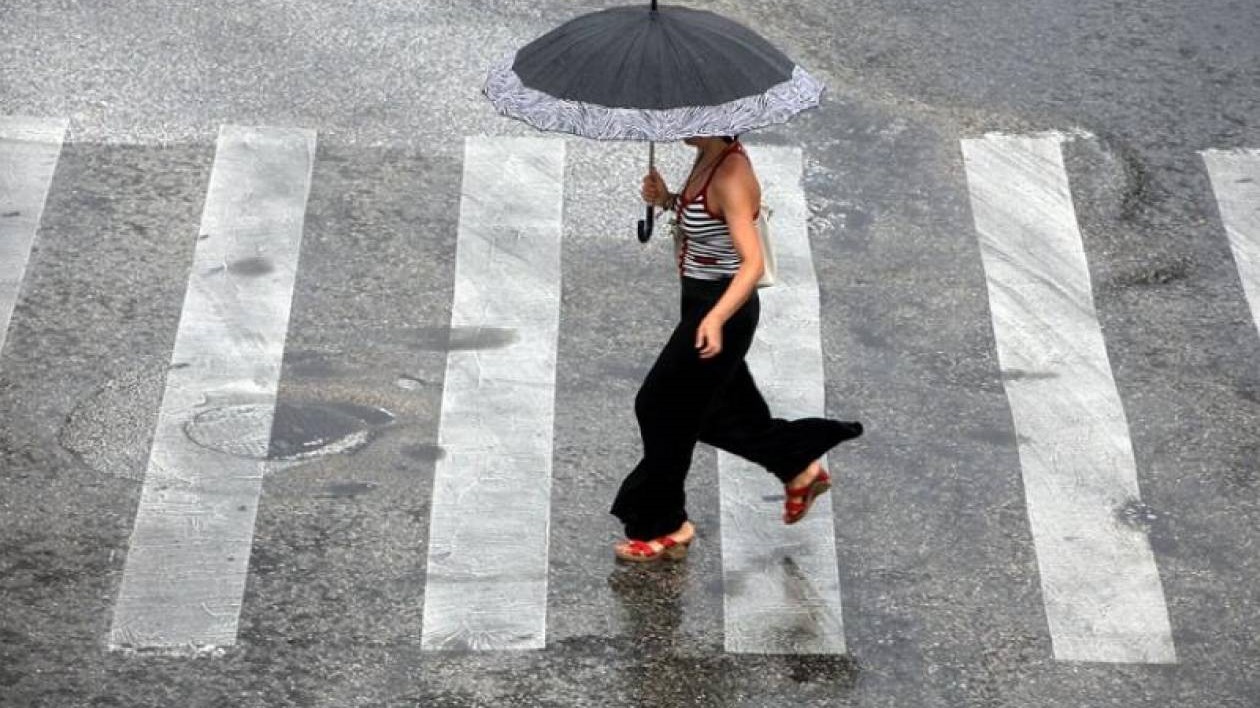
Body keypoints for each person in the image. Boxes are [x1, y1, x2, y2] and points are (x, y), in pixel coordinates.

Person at [610, 134, 864, 563]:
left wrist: (714, 318)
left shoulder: (730, 175)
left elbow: (752, 264)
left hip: (722, 312)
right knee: (712, 413)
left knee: (657, 406)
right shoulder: (707, 155)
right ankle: (797, 466)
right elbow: (707, 223)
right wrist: (668, 199)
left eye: (688, 112)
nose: (678, 121)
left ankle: (665, 525)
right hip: (702, 305)